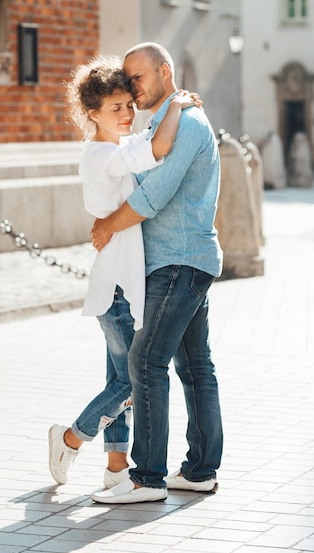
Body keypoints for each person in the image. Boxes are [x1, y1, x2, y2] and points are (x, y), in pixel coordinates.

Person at [48, 53, 200, 489]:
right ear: (91, 114)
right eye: (116, 108)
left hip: (122, 284)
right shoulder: (103, 154)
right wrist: (176, 105)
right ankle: (72, 437)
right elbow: (159, 148)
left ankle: (116, 469)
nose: (128, 114)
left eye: (129, 106)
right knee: (133, 381)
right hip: (116, 287)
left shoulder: (113, 150)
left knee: (121, 378)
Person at [90, 43, 223, 504]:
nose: (132, 87)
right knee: (195, 367)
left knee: (145, 363)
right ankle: (200, 471)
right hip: (185, 260)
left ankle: (146, 478)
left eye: (139, 77)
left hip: (177, 262)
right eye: (127, 80)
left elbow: (152, 197)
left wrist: (106, 225)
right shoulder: (166, 119)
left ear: (165, 71)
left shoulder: (185, 122)